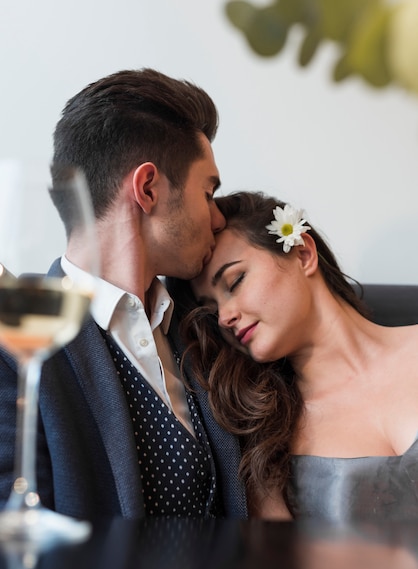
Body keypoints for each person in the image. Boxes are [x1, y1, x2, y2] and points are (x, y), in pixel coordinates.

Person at [0, 69, 248, 520]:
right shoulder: (14, 347)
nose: (217, 219)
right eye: (208, 192)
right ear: (148, 188)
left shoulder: (209, 321)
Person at [174, 190, 418, 522]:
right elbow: (282, 568)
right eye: (211, 308)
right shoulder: (266, 441)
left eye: (235, 281)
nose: (224, 317)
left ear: (303, 253)